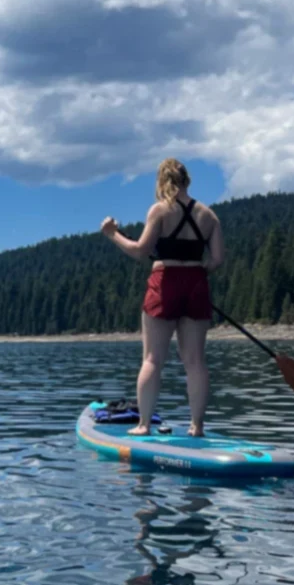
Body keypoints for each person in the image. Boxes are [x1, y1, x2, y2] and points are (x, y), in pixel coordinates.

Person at [100, 159, 224, 437]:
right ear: (187, 180)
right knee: (195, 361)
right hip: (196, 284)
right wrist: (198, 270)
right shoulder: (209, 216)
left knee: (153, 359)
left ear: (162, 181)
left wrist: (113, 234)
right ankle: (197, 426)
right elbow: (217, 260)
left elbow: (140, 251)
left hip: (164, 281)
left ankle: (143, 425)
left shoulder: (159, 211)